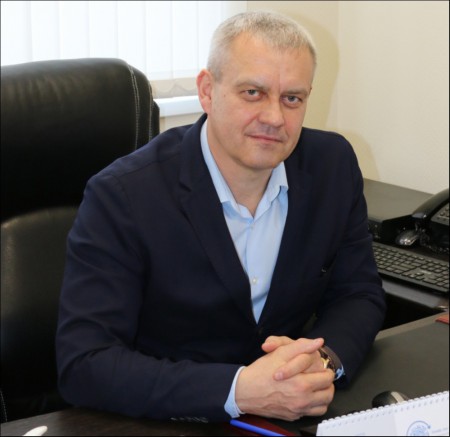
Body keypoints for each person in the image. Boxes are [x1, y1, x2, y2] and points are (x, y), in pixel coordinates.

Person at [56, 11, 386, 423]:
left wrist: (319, 363)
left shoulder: (332, 165)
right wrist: (239, 390)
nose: (274, 118)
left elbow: (358, 293)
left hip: (290, 414)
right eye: (253, 92)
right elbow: (85, 363)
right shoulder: (123, 195)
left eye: (292, 98)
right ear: (207, 91)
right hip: (167, 419)